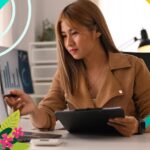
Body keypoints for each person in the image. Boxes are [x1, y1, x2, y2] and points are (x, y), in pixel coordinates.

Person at [5, 0, 150, 137]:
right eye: (63, 35)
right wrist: (34, 111)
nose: (68, 43)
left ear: (97, 31)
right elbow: (47, 117)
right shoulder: (65, 73)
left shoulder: (134, 66)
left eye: (74, 33)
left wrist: (140, 126)